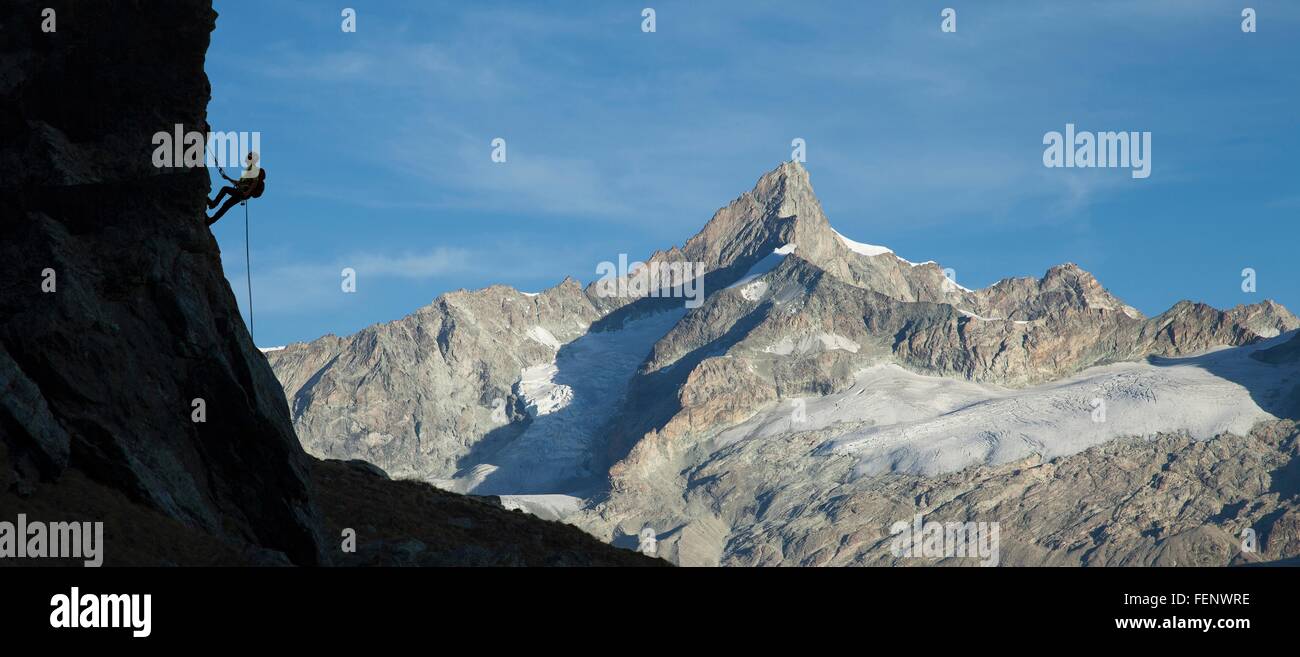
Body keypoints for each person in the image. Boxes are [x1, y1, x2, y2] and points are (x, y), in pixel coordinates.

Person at [207, 152, 266, 226]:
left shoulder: (253, 169)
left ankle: (213, 204)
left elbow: (254, 183)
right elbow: (239, 183)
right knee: (226, 205)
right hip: (242, 193)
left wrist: (247, 192)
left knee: (225, 190)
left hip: (243, 193)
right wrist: (227, 178)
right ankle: (211, 220)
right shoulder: (248, 170)